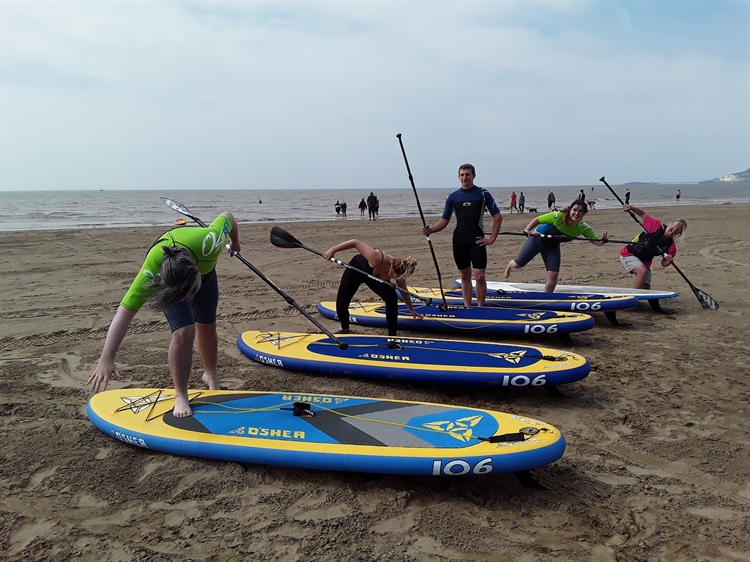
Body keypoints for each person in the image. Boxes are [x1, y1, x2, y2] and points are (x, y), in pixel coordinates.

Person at [88, 213, 241, 417]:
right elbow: (125, 313)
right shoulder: (151, 271)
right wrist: (107, 358)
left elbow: (227, 216)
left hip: (205, 272)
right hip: (173, 275)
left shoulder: (210, 241)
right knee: (184, 332)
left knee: (207, 324)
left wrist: (235, 242)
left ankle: (210, 376)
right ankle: (181, 395)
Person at [421, 164, 503, 306]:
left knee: (480, 276)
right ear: (459, 177)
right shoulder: (453, 197)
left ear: (474, 176)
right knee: (465, 275)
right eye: (462, 175)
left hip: (477, 240)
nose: (464, 177)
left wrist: (492, 239)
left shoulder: (483, 194)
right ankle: (467, 307)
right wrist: (431, 230)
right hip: (459, 241)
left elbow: (498, 217)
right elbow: (444, 220)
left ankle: (481, 307)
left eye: (467, 174)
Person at [322, 240, 423, 340]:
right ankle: (344, 328)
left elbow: (403, 290)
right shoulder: (377, 258)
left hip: (374, 279)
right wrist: (333, 250)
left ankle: (392, 336)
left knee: (392, 298)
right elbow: (355, 243)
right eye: (393, 275)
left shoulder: (400, 273)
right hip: (355, 271)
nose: (393, 278)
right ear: (391, 268)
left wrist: (411, 309)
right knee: (341, 304)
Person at [503, 200, 609, 292]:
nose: (577, 213)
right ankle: (509, 266)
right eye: (575, 209)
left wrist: (602, 242)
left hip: (552, 247)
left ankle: (547, 297)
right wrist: (527, 229)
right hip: (536, 240)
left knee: (553, 274)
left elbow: (595, 242)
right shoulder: (558, 216)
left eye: (580, 211)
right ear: (570, 209)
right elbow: (538, 219)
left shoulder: (583, 228)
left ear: (584, 214)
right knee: (518, 265)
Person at [619, 205, 686, 289]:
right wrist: (631, 208)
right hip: (628, 254)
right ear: (670, 224)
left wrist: (669, 260)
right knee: (643, 271)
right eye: (675, 226)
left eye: (678, 230)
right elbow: (642, 214)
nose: (675, 229)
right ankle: (633, 296)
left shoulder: (671, 246)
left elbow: (663, 264)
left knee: (646, 286)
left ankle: (652, 302)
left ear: (679, 234)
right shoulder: (656, 224)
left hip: (645, 262)